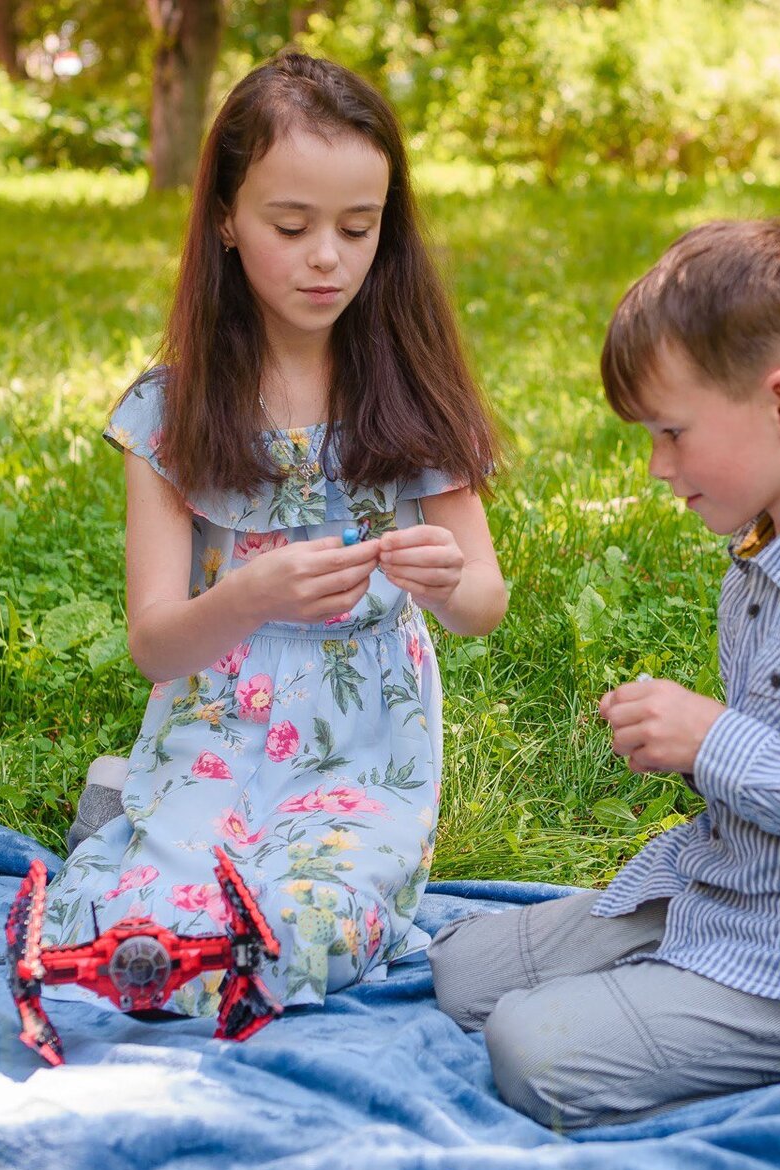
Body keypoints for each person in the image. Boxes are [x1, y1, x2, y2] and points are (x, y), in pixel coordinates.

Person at [428, 219, 780, 1128]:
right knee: (460, 972)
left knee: (528, 1048)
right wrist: (699, 748)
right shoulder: (772, 540)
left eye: (672, 432)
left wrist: (714, 740)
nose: (659, 468)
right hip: (735, 886)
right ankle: (665, 984)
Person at [45, 50, 506, 1014]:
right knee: (132, 928)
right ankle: (134, 821)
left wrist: (444, 577)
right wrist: (250, 594)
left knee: (297, 929)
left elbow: (482, 609)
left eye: (357, 227)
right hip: (213, 729)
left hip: (362, 749)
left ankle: (135, 822)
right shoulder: (171, 414)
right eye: (290, 226)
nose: (327, 257)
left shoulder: (414, 397)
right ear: (224, 218)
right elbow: (153, 641)